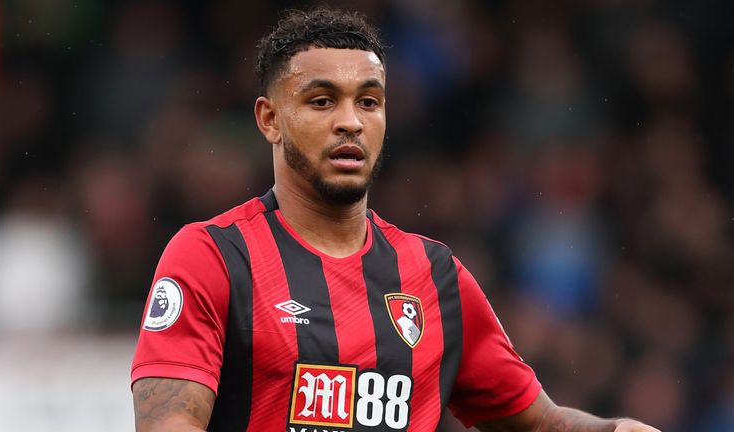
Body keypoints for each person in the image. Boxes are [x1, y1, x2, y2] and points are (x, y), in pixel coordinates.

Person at [131, 7, 660, 432]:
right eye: (322, 101)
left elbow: (537, 422)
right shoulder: (212, 257)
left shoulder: (435, 275)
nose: (350, 122)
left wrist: (615, 429)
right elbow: (168, 421)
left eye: (368, 102)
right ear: (270, 119)